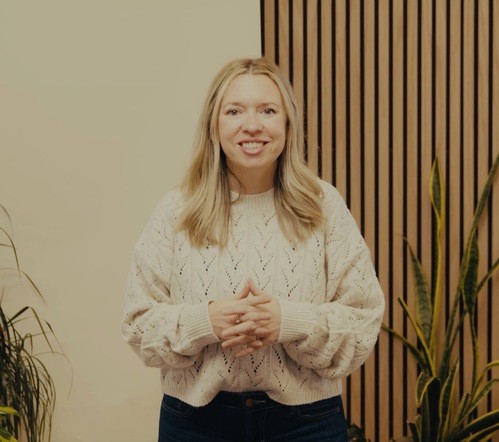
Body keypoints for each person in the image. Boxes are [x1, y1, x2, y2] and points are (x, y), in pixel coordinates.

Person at [121, 57, 385, 442]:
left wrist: (288, 322)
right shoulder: (177, 210)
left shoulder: (323, 205)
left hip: (307, 425)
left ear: (287, 124)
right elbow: (138, 323)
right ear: (213, 125)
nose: (252, 125)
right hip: (195, 425)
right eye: (234, 111)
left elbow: (362, 321)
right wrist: (205, 322)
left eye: (267, 110)